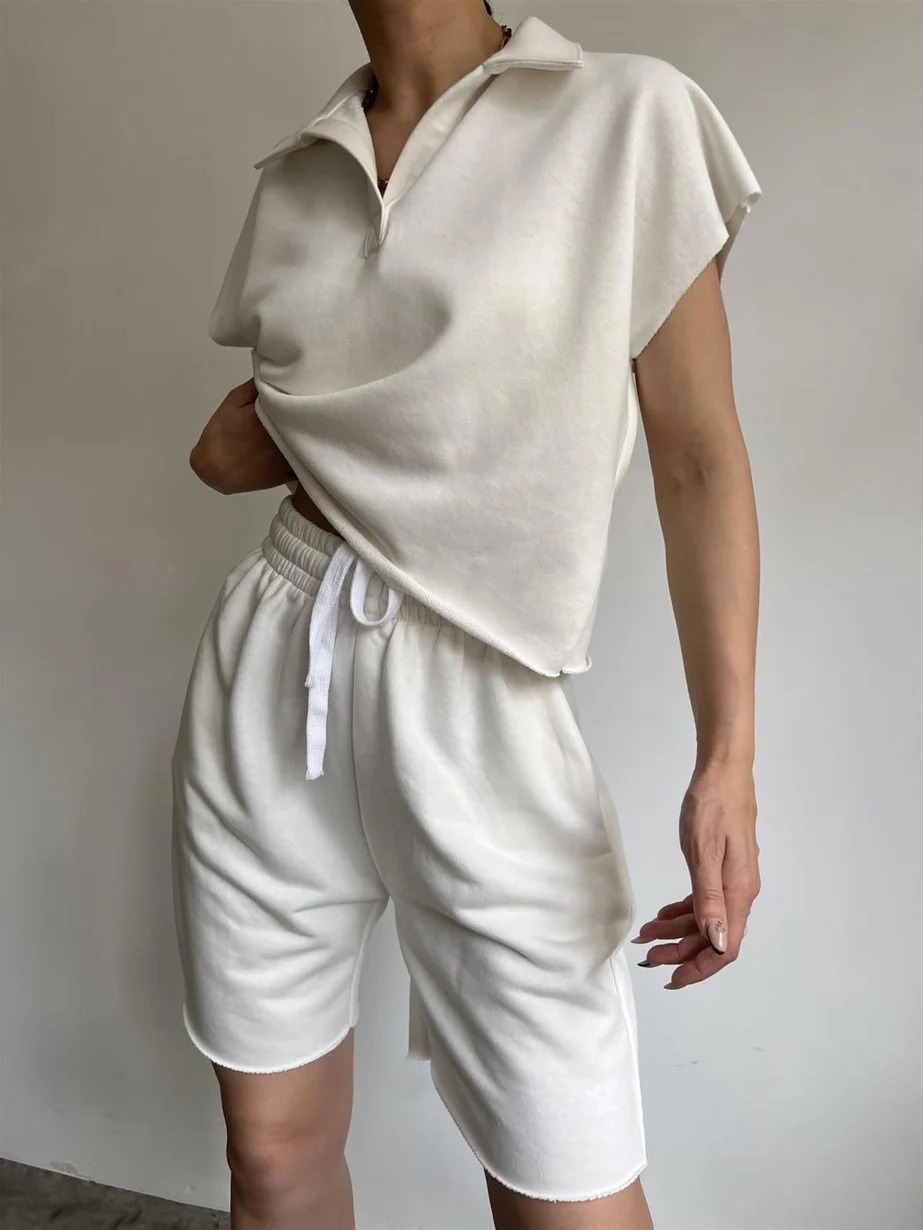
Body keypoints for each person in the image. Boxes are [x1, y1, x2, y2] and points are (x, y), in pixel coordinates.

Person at [171, 2, 763, 1227]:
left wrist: (726, 763)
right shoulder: (299, 173)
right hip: (277, 656)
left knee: (563, 1182)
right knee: (269, 1156)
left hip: (482, 687)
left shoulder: (626, 116)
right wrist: (226, 457)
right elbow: (285, 423)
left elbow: (698, 460)